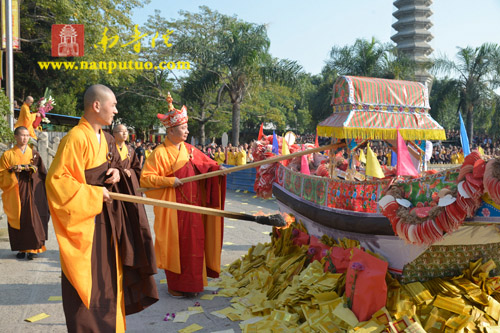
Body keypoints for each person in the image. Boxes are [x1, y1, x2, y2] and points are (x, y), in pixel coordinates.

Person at [46, 84, 157, 332]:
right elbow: (56, 183)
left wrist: (118, 173)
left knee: (110, 280)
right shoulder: (75, 138)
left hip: (110, 220)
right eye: (113, 105)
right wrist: (94, 193)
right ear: (97, 105)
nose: (116, 110)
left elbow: (118, 165)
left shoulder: (106, 139)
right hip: (88, 224)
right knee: (90, 284)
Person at [140, 92, 226, 298]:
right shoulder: (159, 153)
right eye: (183, 127)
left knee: (195, 246)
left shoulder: (190, 150)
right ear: (170, 130)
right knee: (177, 249)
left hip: (194, 207)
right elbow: (146, 179)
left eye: (187, 127)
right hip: (174, 210)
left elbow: (208, 166)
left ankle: (194, 284)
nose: (187, 131)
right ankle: (177, 286)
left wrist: (219, 169)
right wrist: (169, 181)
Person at [0, 126, 49, 260]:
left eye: (27, 135)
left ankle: (34, 248)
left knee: (32, 219)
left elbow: (42, 173)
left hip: (31, 190)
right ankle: (21, 248)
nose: (25, 138)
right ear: (15, 137)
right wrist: (13, 171)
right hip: (14, 190)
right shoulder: (7, 155)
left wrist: (32, 170)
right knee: (17, 219)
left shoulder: (34, 153)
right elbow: (1, 174)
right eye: (22, 135)